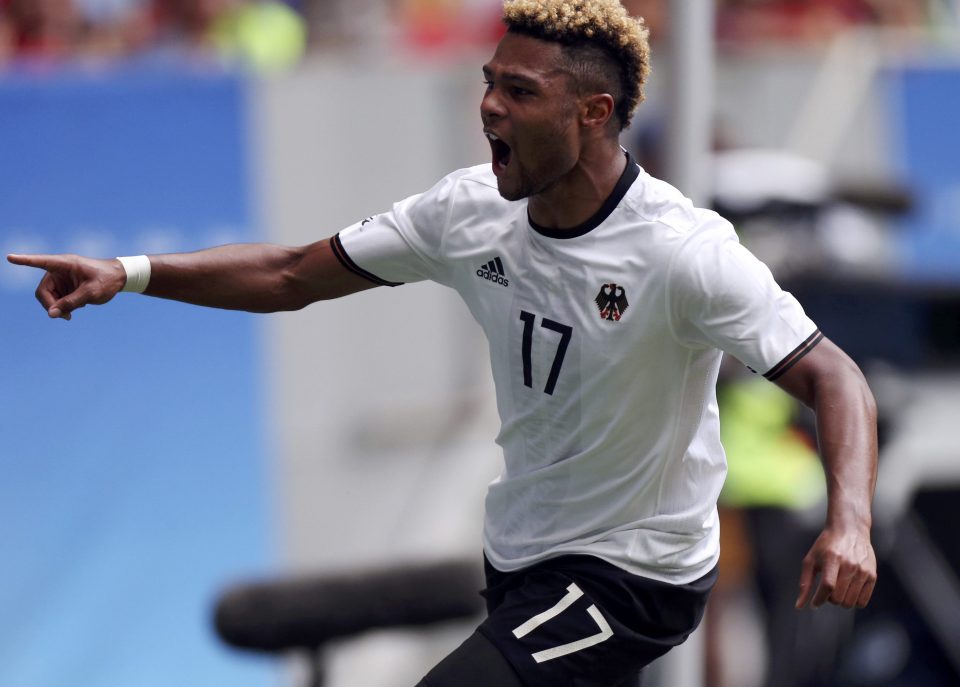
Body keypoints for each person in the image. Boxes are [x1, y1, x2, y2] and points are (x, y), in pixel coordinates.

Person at [7, 1, 878, 685]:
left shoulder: (685, 254)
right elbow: (288, 274)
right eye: (489, 82)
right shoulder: (469, 211)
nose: (491, 107)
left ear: (593, 112)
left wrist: (850, 522)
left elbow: (836, 376)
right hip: (521, 555)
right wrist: (129, 271)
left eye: (521, 92)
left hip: (636, 574)